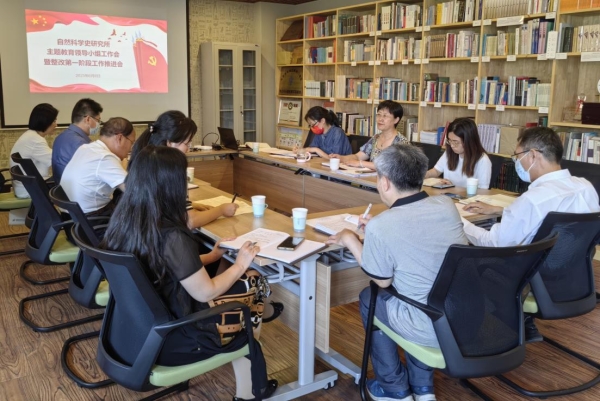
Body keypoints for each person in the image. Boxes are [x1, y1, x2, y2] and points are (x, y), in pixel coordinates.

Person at [101, 146, 278, 401]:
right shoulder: (172, 235)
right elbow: (204, 292)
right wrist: (240, 265)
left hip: (132, 333)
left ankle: (247, 341)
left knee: (232, 273)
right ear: (172, 185)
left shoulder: (124, 220)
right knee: (254, 281)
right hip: (172, 339)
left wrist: (213, 256)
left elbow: (162, 265)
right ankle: (247, 382)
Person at [327, 144, 468, 401]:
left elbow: (382, 280)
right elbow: (418, 235)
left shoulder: (384, 225)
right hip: (463, 315)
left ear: (385, 182)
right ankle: (423, 388)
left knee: (370, 297)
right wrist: (378, 229)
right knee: (422, 289)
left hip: (428, 325)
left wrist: (349, 239)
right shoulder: (446, 205)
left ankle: (394, 388)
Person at [462, 126, 600, 247]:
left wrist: (458, 221)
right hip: (573, 266)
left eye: (517, 155)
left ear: (533, 155)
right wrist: (501, 210)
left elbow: (494, 243)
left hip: (527, 268)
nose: (516, 161)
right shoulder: (585, 187)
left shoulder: (532, 200)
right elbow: (544, 218)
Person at [129, 110, 238, 228]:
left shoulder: (144, 158)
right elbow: (190, 221)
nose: (188, 149)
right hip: (161, 235)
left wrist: (189, 205)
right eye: (187, 144)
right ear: (170, 143)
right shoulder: (170, 168)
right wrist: (221, 210)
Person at [61, 117, 134, 217]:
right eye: (132, 142)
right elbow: (132, 190)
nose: (131, 148)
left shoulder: (86, 147)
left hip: (70, 215)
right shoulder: (104, 157)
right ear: (120, 138)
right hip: (89, 218)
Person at [330, 100, 408, 170]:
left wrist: (361, 163)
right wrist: (341, 158)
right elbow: (358, 156)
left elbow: (389, 167)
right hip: (370, 179)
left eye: (385, 116)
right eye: (379, 115)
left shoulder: (401, 142)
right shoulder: (376, 138)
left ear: (396, 120)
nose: (380, 119)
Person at [424, 118, 492, 189]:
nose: (452, 145)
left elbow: (483, 191)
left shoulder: (483, 160)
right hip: (447, 194)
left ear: (468, 140)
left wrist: (453, 188)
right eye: (449, 141)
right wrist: (423, 175)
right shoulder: (449, 152)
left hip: (464, 196)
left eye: (456, 142)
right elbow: (436, 171)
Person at [10, 103, 57, 198]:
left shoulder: (30, 135)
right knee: (69, 184)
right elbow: (56, 160)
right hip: (30, 188)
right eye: (54, 121)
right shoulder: (35, 140)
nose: (56, 125)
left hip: (24, 186)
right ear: (45, 122)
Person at [52, 98, 103, 184]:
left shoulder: (62, 136)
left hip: (61, 188)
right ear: (88, 119)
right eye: (98, 120)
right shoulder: (80, 144)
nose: (99, 124)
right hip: (72, 190)